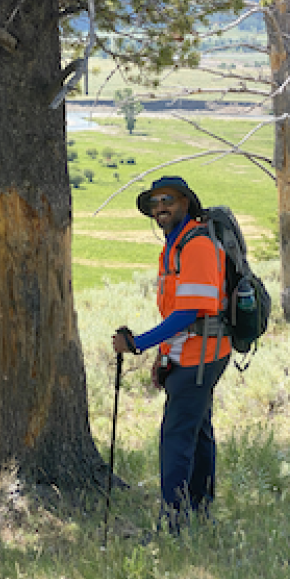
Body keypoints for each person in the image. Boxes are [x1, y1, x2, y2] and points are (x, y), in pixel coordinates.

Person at [112, 176, 231, 533]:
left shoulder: (195, 246)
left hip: (202, 355)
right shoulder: (174, 246)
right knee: (199, 430)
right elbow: (177, 314)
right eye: (154, 202)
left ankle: (174, 524)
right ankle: (200, 511)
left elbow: (187, 313)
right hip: (192, 352)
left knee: (176, 437)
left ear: (186, 203)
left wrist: (138, 344)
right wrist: (164, 356)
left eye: (169, 200)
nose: (160, 207)